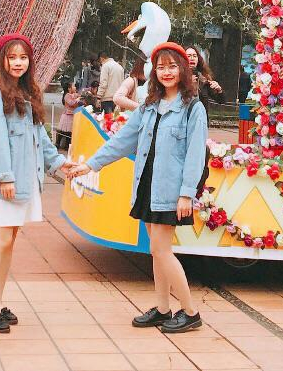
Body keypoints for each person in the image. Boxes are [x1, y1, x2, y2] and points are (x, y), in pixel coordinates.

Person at [65, 42, 208, 334]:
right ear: (154, 72)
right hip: (147, 186)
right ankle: (163, 308)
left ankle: (191, 312)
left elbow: (195, 155)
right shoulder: (149, 107)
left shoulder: (193, 108)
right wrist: (91, 165)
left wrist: (186, 194)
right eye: (161, 67)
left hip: (170, 191)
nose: (167, 72)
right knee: (157, 252)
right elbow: (122, 141)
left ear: (183, 69)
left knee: (161, 250)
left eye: (172, 66)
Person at [0, 33, 69, 333]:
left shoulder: (27, 93)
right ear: (1, 61)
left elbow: (40, 137)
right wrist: (4, 177)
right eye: (12, 57)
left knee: (9, 242)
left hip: (24, 181)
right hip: (5, 184)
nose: (18, 63)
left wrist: (60, 163)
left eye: (23, 57)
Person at [55, 78, 80, 151]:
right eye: (73, 86)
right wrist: (77, 100)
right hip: (67, 115)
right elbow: (71, 103)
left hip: (71, 115)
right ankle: (57, 144)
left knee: (69, 132)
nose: (75, 87)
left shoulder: (73, 95)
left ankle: (67, 146)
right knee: (62, 130)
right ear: (69, 88)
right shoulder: (67, 95)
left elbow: (77, 97)